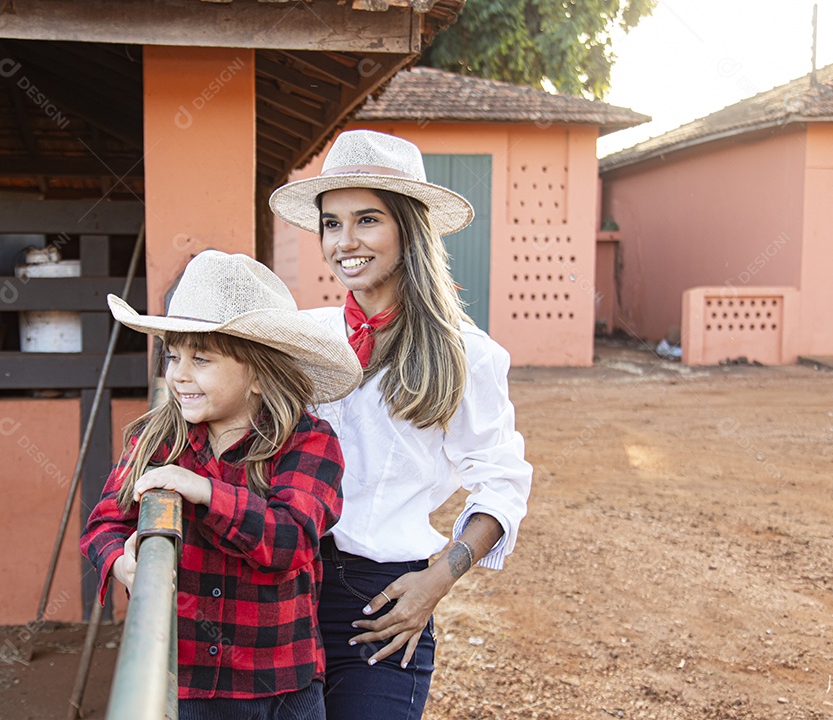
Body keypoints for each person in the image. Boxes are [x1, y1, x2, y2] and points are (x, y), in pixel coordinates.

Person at [269, 130, 532, 719]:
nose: (345, 241)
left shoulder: (467, 355)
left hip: (382, 598)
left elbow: (502, 481)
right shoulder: (296, 339)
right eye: (331, 224)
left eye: (367, 219)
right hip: (280, 587)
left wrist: (437, 581)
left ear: (408, 228)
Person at [80, 250, 362, 719]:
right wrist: (122, 563)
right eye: (173, 356)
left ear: (257, 374)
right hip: (184, 682)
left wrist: (204, 491)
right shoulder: (153, 439)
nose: (179, 374)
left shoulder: (308, 443)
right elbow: (104, 523)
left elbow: (289, 540)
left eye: (202, 358)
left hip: (279, 687)